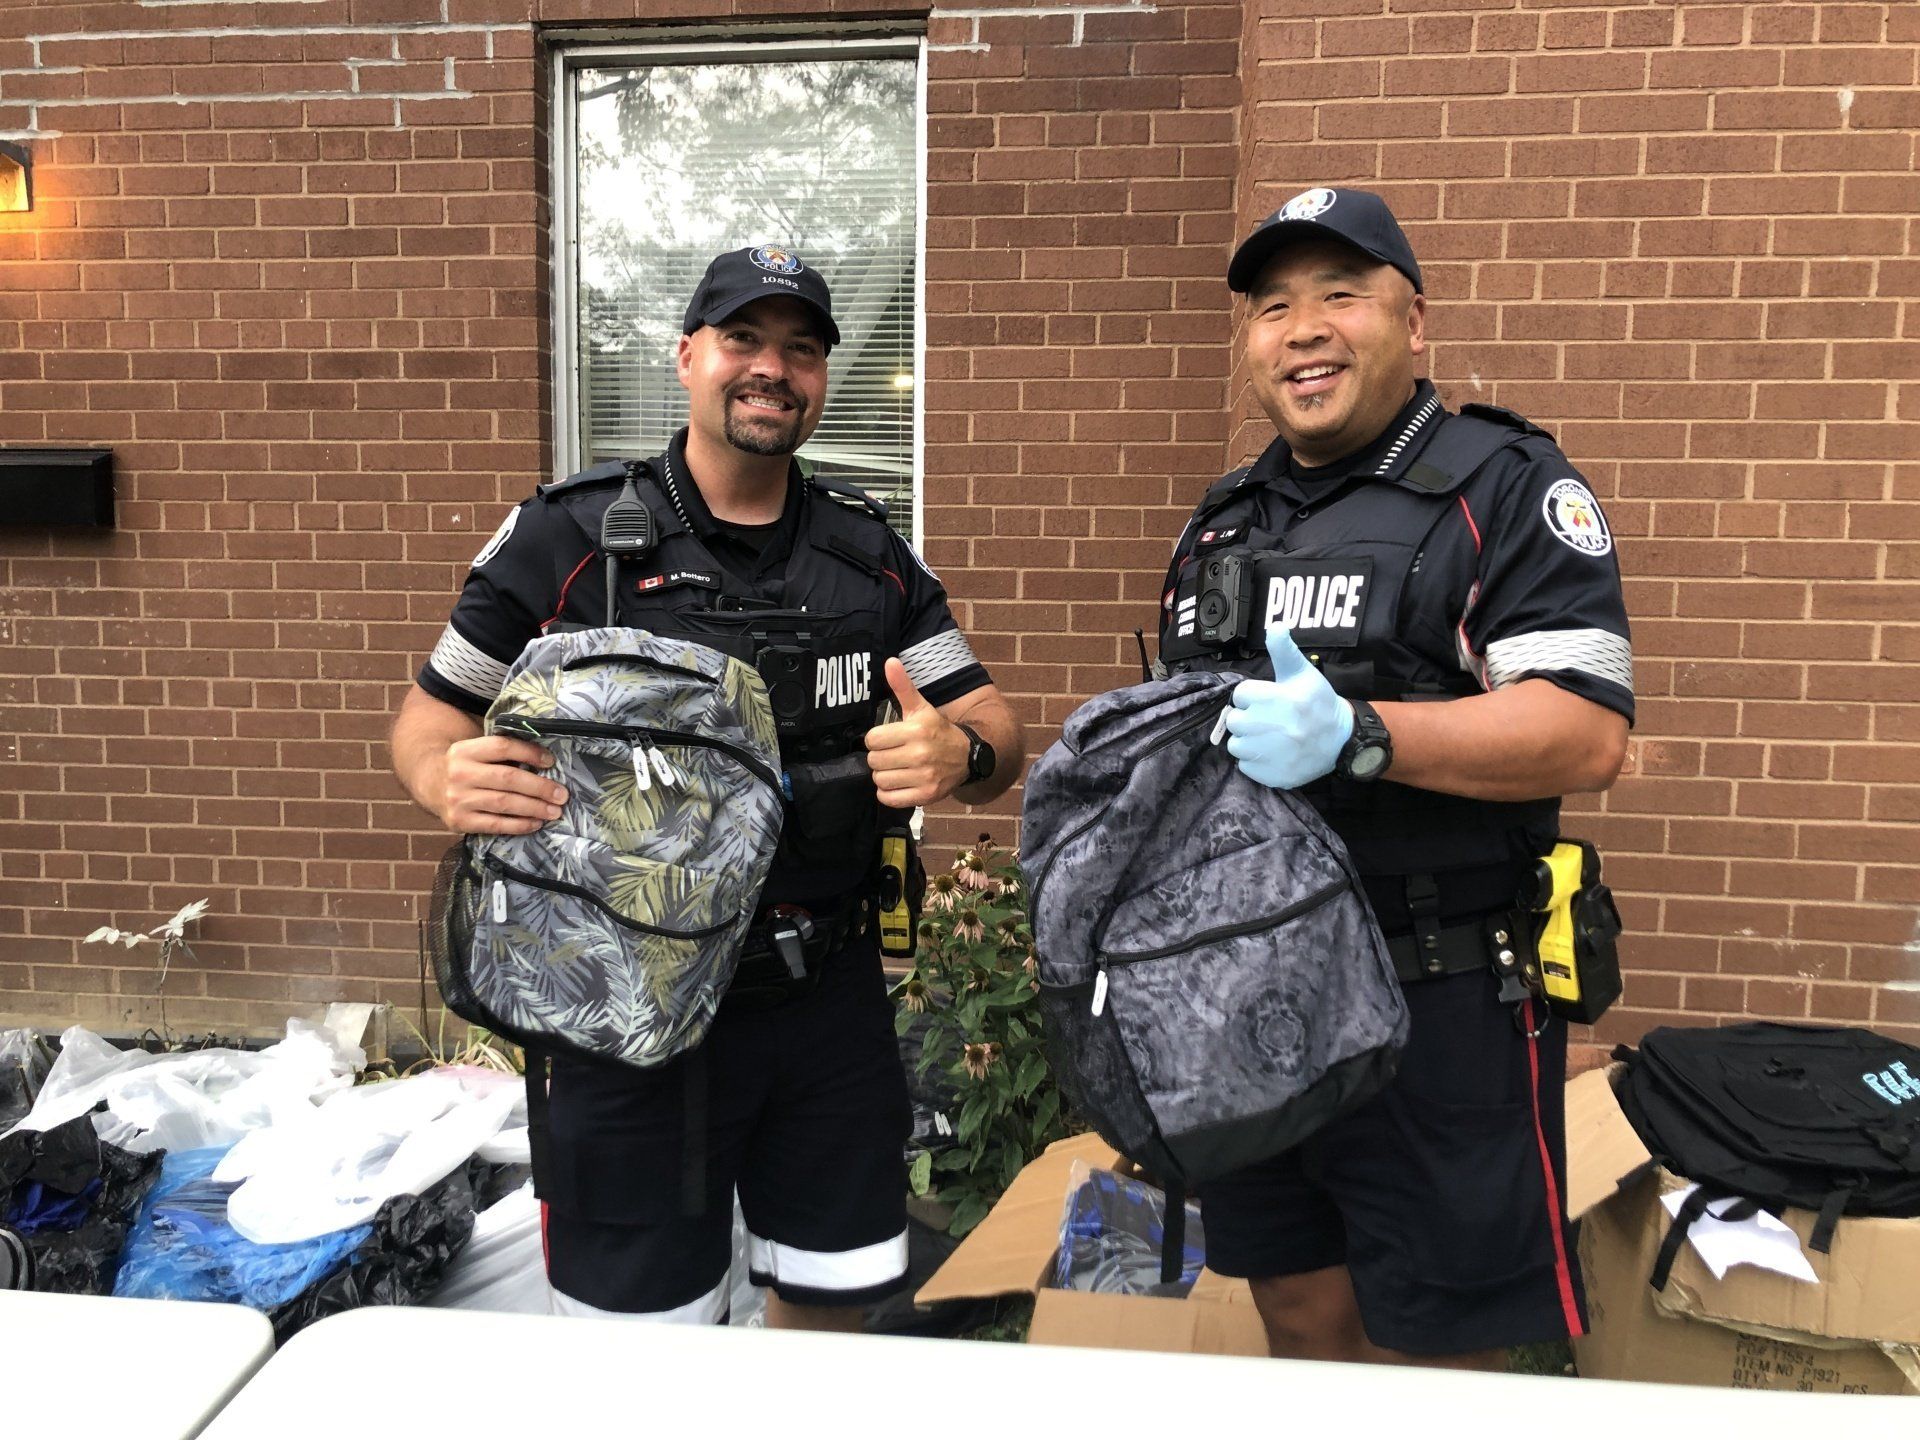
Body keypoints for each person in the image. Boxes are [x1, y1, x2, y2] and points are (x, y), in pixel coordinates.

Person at [390, 245, 1023, 1329]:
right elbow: (429, 718)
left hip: (823, 999)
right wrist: (446, 778)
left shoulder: (869, 556)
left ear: (824, 378)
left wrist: (958, 757)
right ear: (689, 357)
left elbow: (994, 724)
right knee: (637, 1346)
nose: (772, 369)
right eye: (744, 340)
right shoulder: (570, 536)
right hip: (621, 1005)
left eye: (803, 349)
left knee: (833, 1312)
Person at [1158, 188, 1632, 1369]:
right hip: (1257, 1000)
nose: (1303, 329)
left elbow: (1585, 730)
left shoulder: (1506, 484)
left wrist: (1364, 734)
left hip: (1443, 993)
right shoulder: (1225, 520)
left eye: (1340, 295)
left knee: (1445, 1353)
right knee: (1302, 1311)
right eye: (1273, 307)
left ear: (1412, 322)